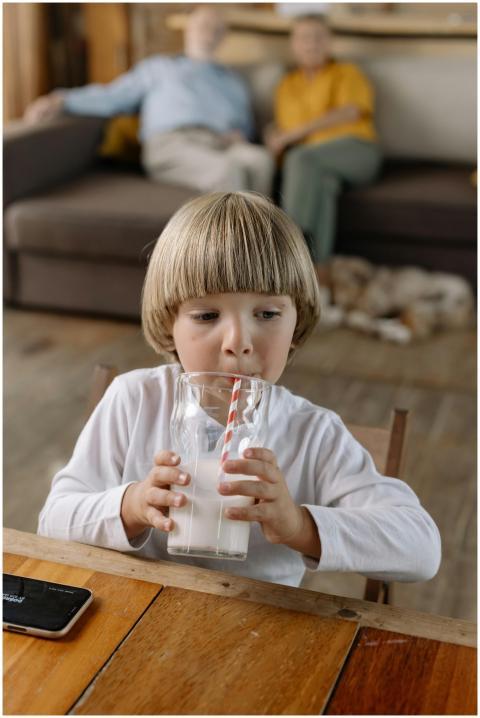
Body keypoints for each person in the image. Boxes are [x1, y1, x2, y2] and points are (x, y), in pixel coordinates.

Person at [38, 191, 441, 589]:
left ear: (296, 325)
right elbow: (53, 520)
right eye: (207, 315)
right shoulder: (134, 400)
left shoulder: (313, 433)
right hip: (132, 621)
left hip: (260, 634)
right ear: (168, 325)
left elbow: (421, 547)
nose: (238, 341)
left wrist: (299, 525)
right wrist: (131, 506)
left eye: (267, 313)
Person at [24, 6, 273, 196]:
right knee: (229, 171)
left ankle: (266, 243)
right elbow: (112, 96)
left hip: (220, 142)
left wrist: (241, 135)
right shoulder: (159, 67)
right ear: (188, 28)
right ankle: (239, 257)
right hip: (172, 144)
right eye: (203, 25)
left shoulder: (232, 80)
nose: (209, 33)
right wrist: (60, 99)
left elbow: (245, 126)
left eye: (216, 28)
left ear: (223, 37)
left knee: (261, 161)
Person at [265, 14, 382, 270]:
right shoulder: (287, 84)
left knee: (301, 157)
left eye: (319, 37)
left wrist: (293, 134)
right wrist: (274, 135)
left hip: (356, 150)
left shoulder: (346, 72)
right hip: (315, 163)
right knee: (325, 185)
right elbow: (285, 129)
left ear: (330, 43)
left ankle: (287, 254)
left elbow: (350, 112)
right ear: (293, 44)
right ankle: (317, 269)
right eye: (305, 38)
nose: (312, 44)